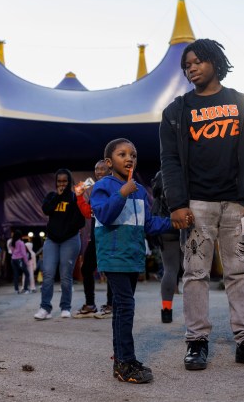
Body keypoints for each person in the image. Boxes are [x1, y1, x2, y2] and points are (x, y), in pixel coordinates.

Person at [159, 39, 244, 370]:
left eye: (197, 61)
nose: (191, 68)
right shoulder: (176, 111)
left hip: (237, 205)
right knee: (195, 273)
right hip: (196, 205)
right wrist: (177, 203)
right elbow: (169, 160)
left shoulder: (243, 104)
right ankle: (196, 342)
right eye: (187, 65)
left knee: (240, 271)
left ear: (215, 61)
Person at [91, 138, 171, 384]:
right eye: (122, 154)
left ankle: (122, 360)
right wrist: (121, 193)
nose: (129, 159)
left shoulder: (139, 190)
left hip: (133, 258)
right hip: (114, 258)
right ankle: (126, 361)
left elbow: (149, 224)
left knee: (121, 310)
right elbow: (104, 214)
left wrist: (175, 223)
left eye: (133, 155)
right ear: (109, 162)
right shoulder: (103, 186)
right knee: (125, 308)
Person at [34, 169, 86, 320]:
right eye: (59, 181)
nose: (62, 184)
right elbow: (46, 210)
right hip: (52, 240)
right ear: (56, 182)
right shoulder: (51, 196)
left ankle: (65, 307)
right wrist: (58, 196)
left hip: (70, 240)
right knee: (48, 273)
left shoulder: (75, 197)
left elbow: (81, 221)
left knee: (65, 275)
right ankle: (45, 308)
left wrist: (77, 197)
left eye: (65, 181)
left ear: (69, 182)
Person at [74, 160, 112, 318]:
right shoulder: (95, 188)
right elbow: (88, 212)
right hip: (97, 237)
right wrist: (79, 196)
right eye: (96, 169)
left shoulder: (114, 186)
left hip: (111, 235)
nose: (99, 172)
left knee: (111, 270)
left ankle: (112, 305)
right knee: (86, 269)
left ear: (110, 170)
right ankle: (90, 305)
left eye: (102, 168)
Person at [151, 171, 183, 323]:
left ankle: (166, 311)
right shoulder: (183, 173)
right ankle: (194, 312)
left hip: (165, 226)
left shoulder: (161, 175)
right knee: (192, 271)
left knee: (170, 269)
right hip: (185, 223)